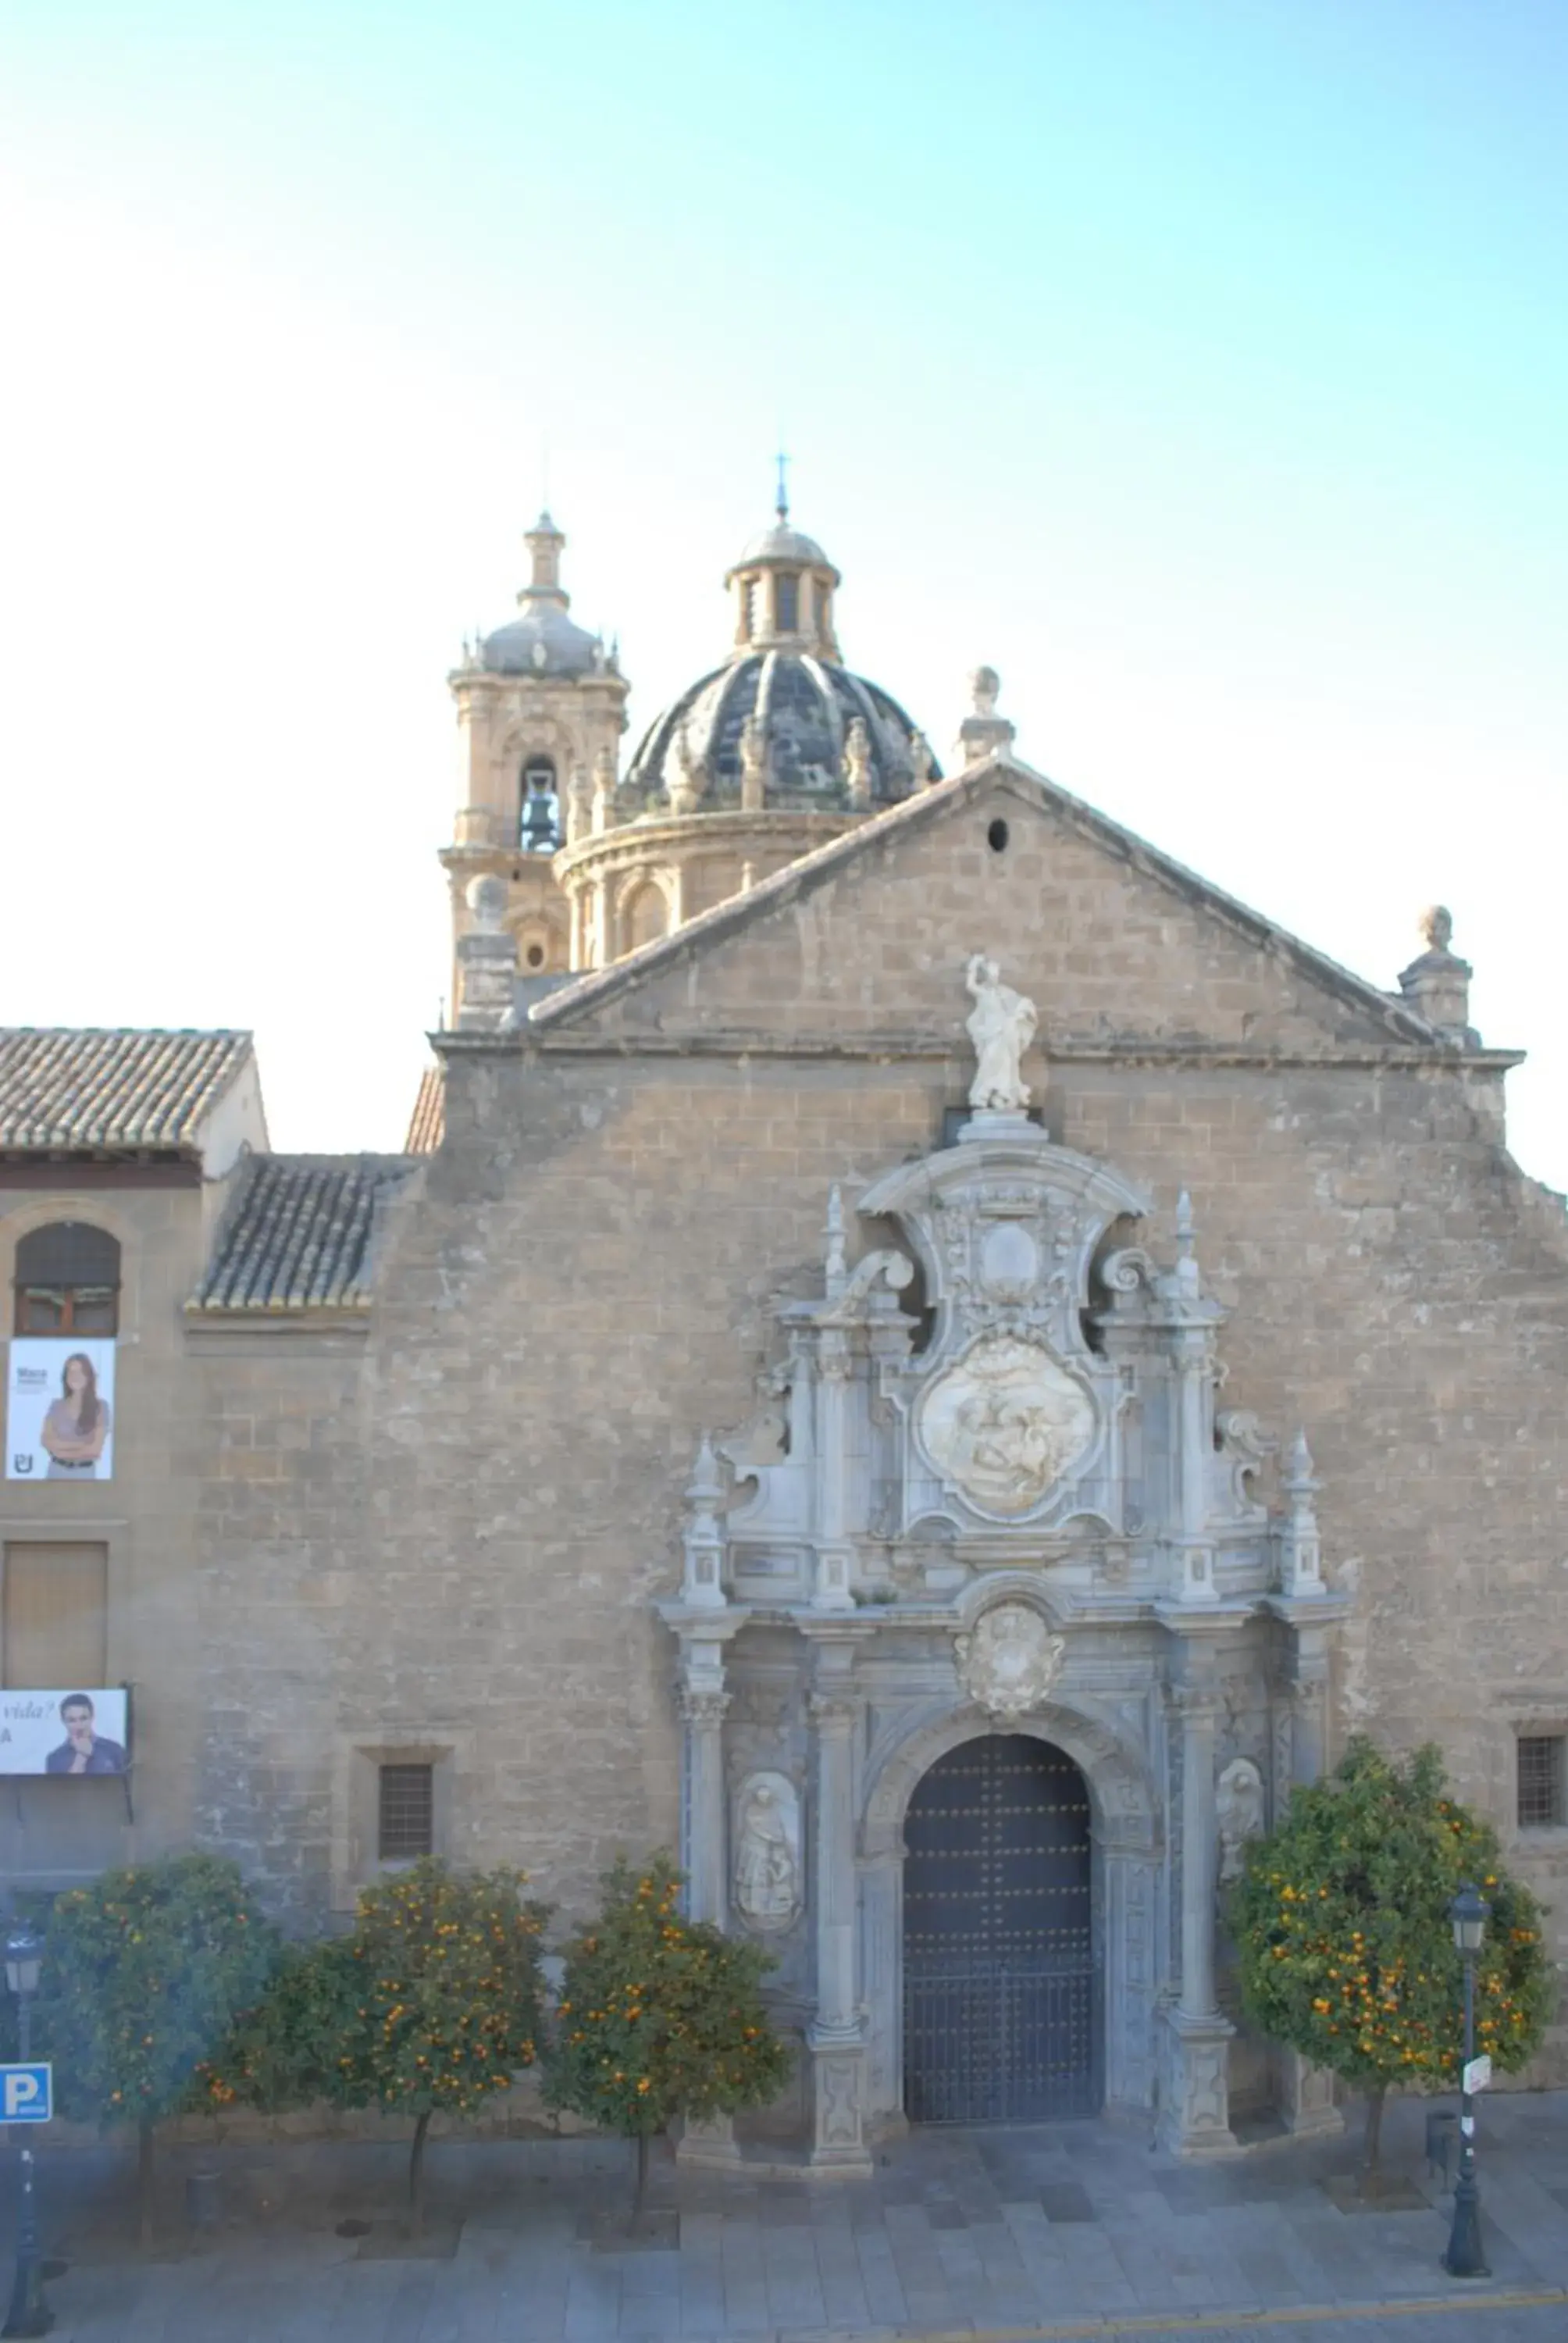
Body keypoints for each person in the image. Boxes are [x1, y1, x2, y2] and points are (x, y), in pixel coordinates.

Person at [41, 1352, 111, 1480]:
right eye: (71, 1372)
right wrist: (82, 1445)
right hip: (56, 1471)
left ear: (88, 1376)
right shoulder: (56, 1405)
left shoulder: (101, 1407)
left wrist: (60, 1450)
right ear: (65, 1377)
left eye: (80, 1372)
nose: (75, 1376)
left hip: (84, 1473)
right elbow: (46, 1441)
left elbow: (95, 1450)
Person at [45, 1694, 127, 1776]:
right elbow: (61, 1788)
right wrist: (81, 1757)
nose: (79, 1726)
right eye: (72, 1720)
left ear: (92, 1717)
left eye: (83, 1718)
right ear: (63, 1721)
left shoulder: (114, 1750)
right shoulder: (55, 1758)